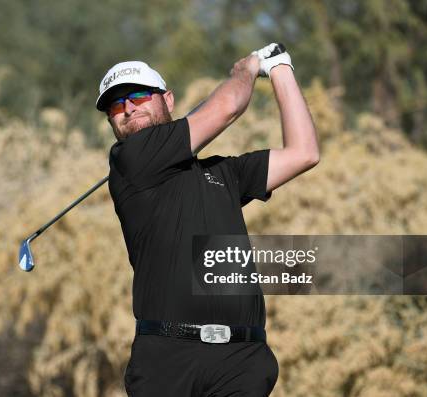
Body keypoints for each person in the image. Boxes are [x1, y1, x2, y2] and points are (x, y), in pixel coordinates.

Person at [96, 43, 319, 396]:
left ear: (167, 100)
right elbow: (229, 106)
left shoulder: (222, 172)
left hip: (241, 359)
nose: (127, 109)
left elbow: (304, 153)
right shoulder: (130, 159)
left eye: (138, 96)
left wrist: (280, 68)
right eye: (115, 106)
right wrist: (246, 69)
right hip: (168, 360)